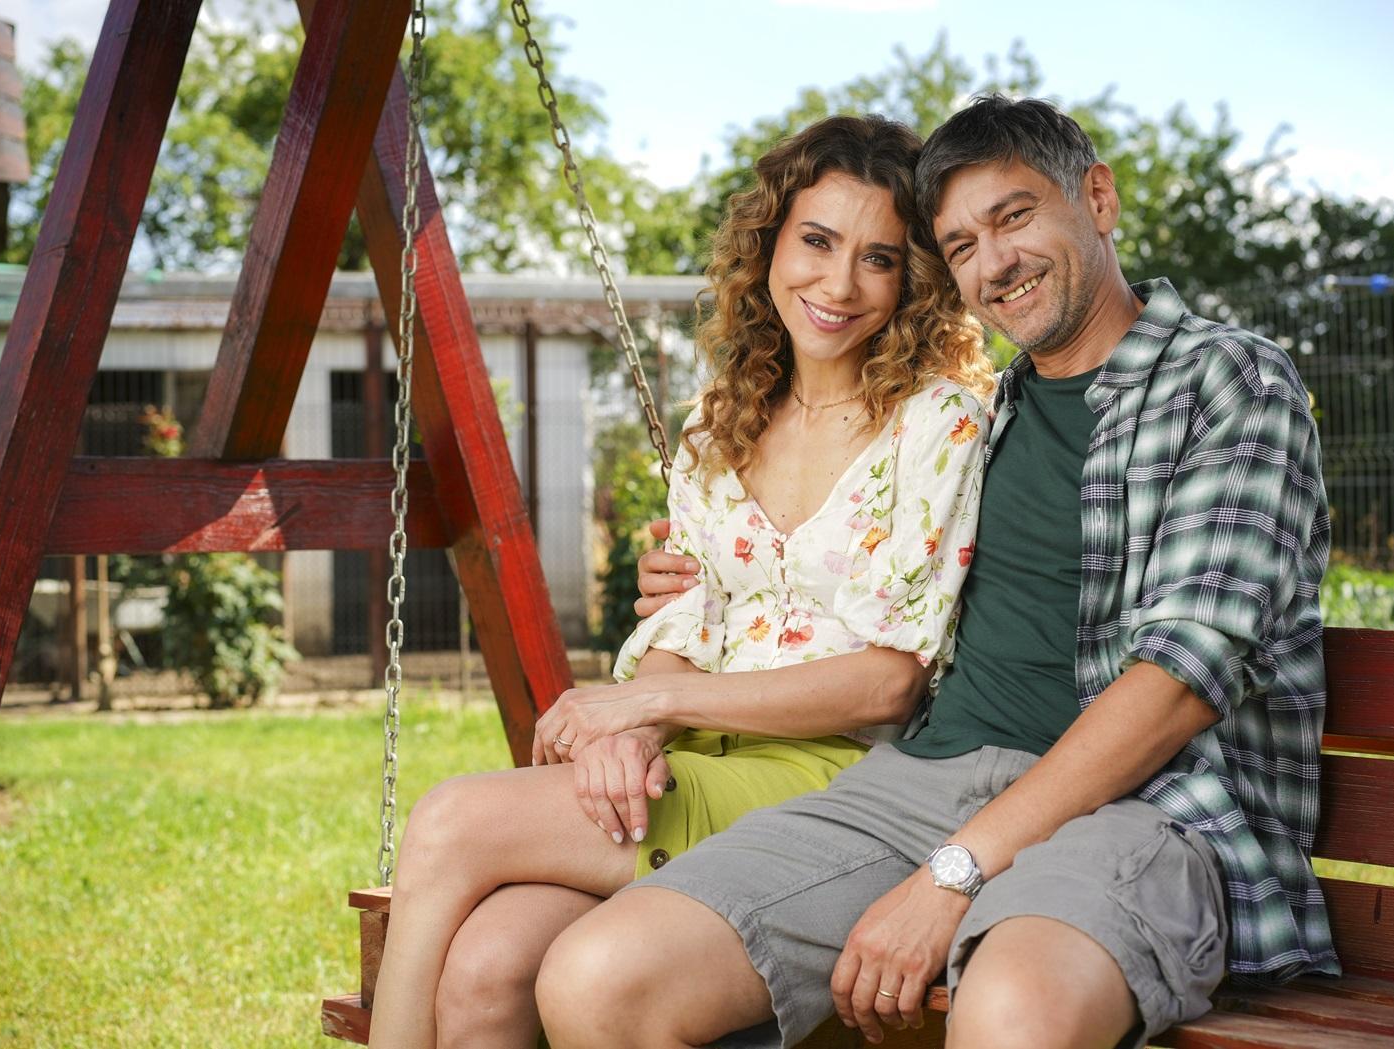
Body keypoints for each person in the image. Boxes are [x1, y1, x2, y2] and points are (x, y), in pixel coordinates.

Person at [537, 94, 1337, 1049]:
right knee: (599, 978)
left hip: (1142, 804)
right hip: (920, 780)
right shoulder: (981, 415)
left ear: (1097, 197)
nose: (993, 262)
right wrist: (701, 579)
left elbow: (1176, 683)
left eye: (1014, 216)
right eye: (960, 245)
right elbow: (851, 566)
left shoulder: (1226, 381)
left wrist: (955, 870)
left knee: (1010, 1012)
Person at [366, 114, 994, 1049]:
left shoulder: (936, 425)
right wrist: (635, 730)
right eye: (816, 241)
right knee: (488, 963)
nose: (837, 284)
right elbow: (685, 621)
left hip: (833, 779)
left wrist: (644, 704)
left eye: (879, 258)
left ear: (914, 282)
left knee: (450, 821)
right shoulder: (719, 420)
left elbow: (888, 682)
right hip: (692, 753)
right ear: (769, 243)